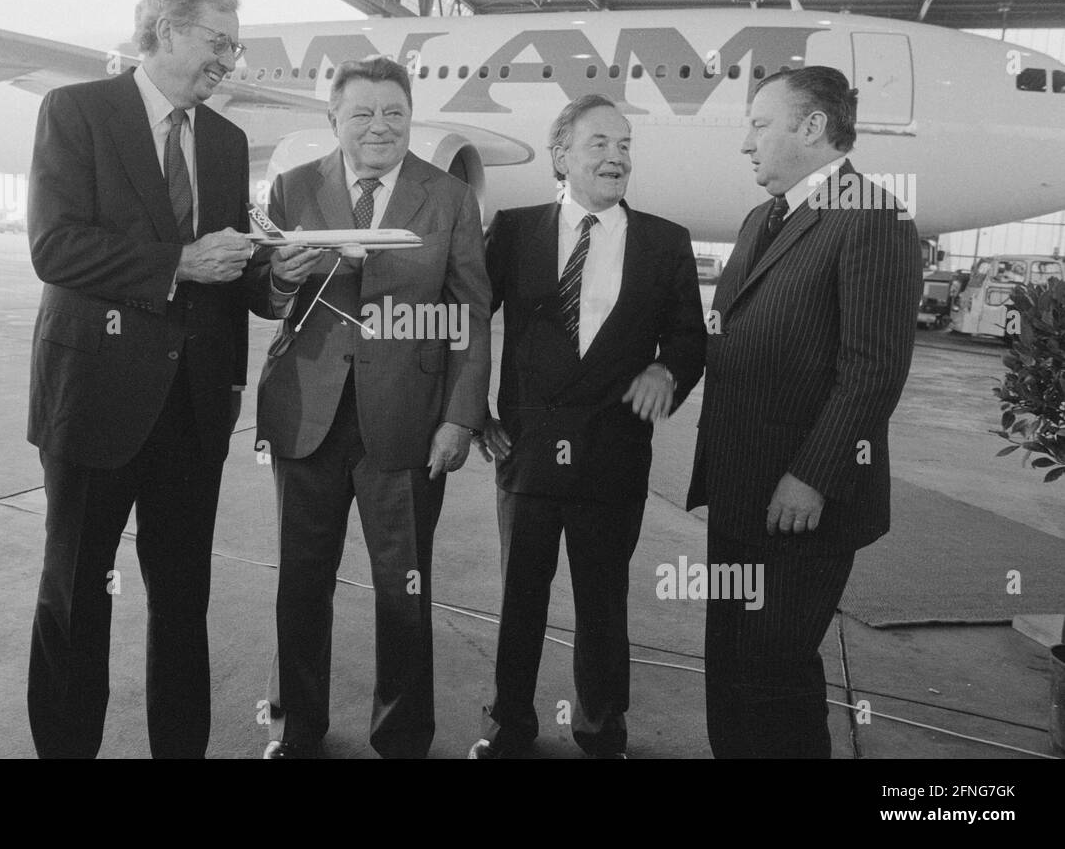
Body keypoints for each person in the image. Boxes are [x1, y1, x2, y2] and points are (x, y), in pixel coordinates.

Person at [24, 0, 311, 758]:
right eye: (218, 42)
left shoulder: (224, 140)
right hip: (94, 399)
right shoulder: (78, 111)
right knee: (77, 594)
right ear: (165, 30)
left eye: (234, 45)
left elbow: (227, 270)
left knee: (184, 601)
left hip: (192, 407)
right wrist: (179, 262)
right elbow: (54, 246)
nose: (229, 60)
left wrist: (275, 276)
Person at [253, 56, 491, 759]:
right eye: (361, 112)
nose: (378, 125)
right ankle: (298, 730)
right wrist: (278, 278)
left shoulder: (448, 197)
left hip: (410, 422)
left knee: (404, 588)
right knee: (301, 583)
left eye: (394, 112)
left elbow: (471, 315)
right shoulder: (294, 187)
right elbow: (264, 298)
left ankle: (404, 736)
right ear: (333, 119)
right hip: (309, 415)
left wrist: (460, 416)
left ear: (412, 118)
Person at [686, 65, 922, 758]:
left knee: (774, 667)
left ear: (813, 126)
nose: (746, 144)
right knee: (729, 660)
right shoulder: (763, 217)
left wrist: (814, 475)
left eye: (760, 124)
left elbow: (873, 369)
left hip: (803, 500)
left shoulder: (871, 215)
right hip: (739, 490)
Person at [469, 94, 706, 758]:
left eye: (625, 145)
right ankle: (507, 723)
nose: (616, 156)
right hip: (528, 451)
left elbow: (689, 338)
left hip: (614, 452)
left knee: (604, 604)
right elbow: (469, 320)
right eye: (599, 143)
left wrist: (668, 372)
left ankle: (603, 732)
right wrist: (471, 410)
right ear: (562, 155)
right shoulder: (514, 230)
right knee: (520, 598)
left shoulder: (665, 242)